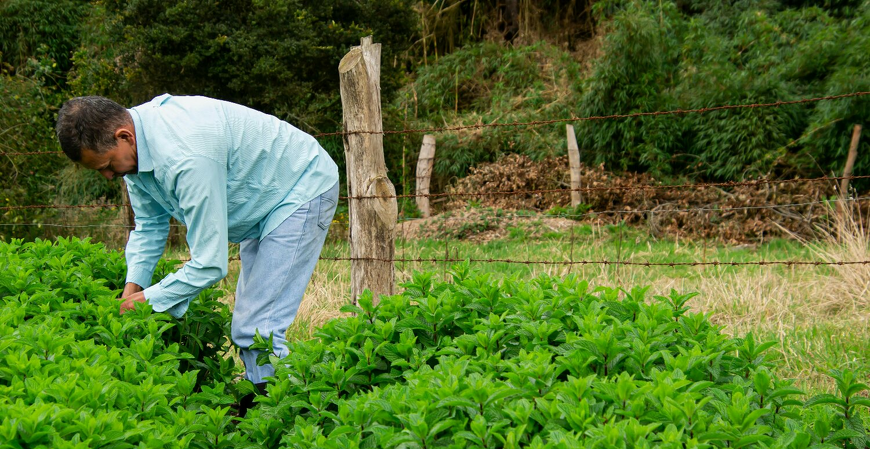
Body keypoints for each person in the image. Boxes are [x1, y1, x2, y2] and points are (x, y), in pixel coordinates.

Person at [55, 94, 339, 412]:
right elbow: (149, 226)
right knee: (251, 325)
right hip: (262, 199)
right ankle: (262, 408)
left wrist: (149, 300)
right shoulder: (135, 153)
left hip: (299, 187)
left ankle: (302, 414)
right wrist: (132, 289)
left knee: (258, 327)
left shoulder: (185, 155)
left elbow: (210, 264)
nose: (108, 176)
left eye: (108, 165)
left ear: (124, 136)